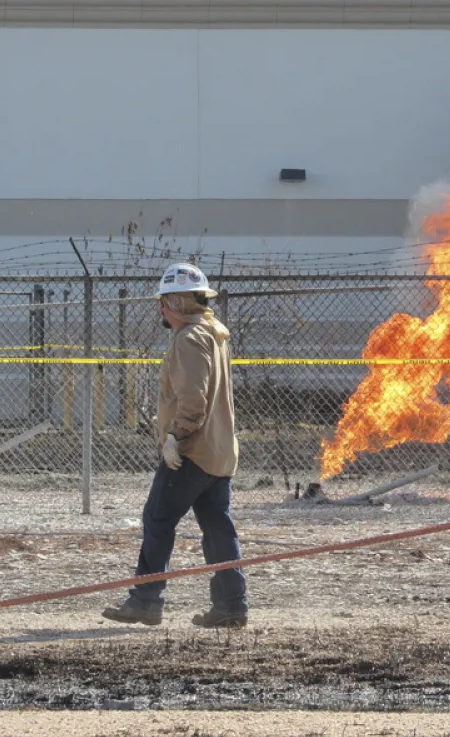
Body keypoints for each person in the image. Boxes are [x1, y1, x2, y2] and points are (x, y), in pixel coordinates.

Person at [101, 262, 248, 629]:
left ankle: (146, 601)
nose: (161, 309)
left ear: (178, 303)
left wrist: (173, 438)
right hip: (219, 453)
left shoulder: (189, 339)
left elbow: (193, 401)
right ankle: (232, 606)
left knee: (158, 518)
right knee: (217, 529)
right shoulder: (214, 334)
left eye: (165, 302)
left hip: (192, 453)